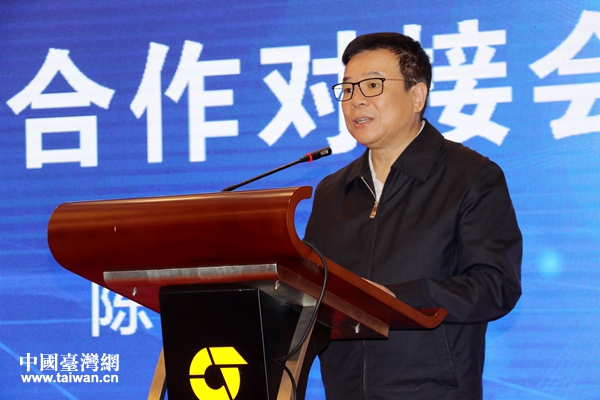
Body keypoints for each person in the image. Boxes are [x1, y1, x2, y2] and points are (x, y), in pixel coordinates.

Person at [303, 32, 522, 399]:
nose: (356, 100)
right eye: (348, 88)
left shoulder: (470, 177)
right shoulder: (332, 191)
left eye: (372, 85)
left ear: (417, 95)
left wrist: (396, 298)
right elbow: (311, 289)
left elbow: (495, 286)